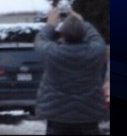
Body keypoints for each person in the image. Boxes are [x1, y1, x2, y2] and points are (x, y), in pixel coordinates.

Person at [35, 7, 108, 135]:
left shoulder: (51, 52)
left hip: (57, 116)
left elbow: (40, 40)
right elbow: (97, 39)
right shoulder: (95, 51)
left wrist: (50, 25)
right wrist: (82, 22)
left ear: (62, 33)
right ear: (84, 33)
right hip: (88, 116)